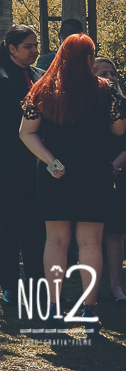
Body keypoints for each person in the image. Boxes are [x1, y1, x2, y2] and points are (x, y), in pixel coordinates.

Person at [20, 34, 126, 325]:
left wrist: (49, 159)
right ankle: (89, 308)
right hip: (94, 173)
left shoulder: (42, 89)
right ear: (90, 58)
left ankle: (54, 306)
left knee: (55, 241)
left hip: (57, 171)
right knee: (90, 242)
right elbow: (119, 131)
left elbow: (25, 132)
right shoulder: (106, 91)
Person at [0, 25, 45, 306]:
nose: (34, 50)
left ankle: (36, 284)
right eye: (28, 46)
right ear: (12, 48)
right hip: (11, 161)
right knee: (10, 226)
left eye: (35, 45)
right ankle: (9, 285)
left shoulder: (40, 77)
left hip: (41, 162)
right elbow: (3, 124)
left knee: (37, 227)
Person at [94, 57, 126, 305]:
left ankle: (116, 285)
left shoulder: (123, 104)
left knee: (114, 232)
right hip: (90, 172)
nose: (110, 77)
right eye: (103, 73)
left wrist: (116, 166)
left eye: (113, 73)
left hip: (118, 171)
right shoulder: (85, 105)